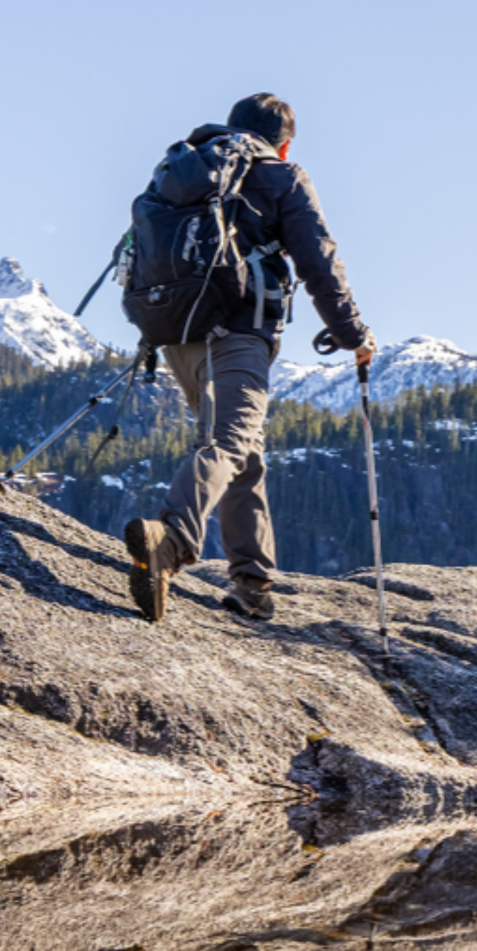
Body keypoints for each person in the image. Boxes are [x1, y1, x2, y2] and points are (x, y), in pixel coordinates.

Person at [124, 93, 375, 624]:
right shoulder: (282, 176)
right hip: (238, 330)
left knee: (244, 450)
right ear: (284, 142)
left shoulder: (188, 166)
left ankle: (252, 582)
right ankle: (169, 539)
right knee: (231, 442)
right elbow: (319, 263)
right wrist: (353, 334)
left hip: (176, 331)